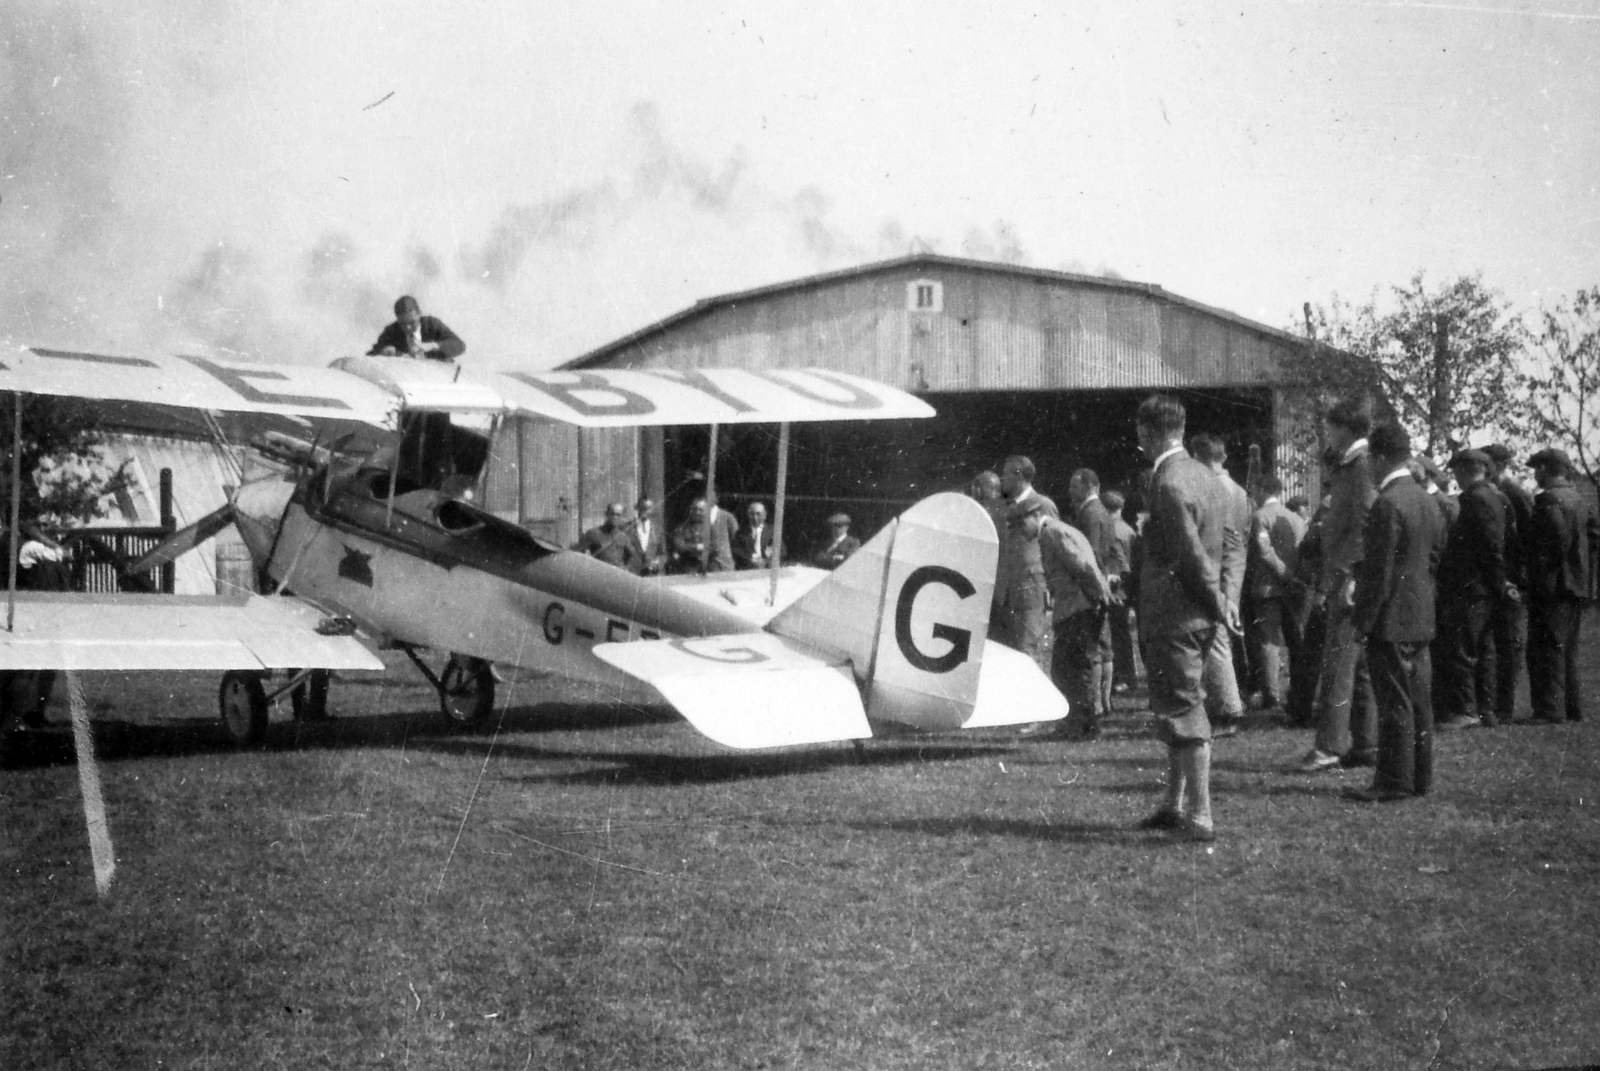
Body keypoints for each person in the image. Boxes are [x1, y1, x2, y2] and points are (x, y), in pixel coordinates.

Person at [1132, 394, 1229, 842]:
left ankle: (1200, 815)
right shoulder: (1205, 476)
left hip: (1175, 616)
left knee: (1183, 711)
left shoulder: (1168, 482)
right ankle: (1175, 805)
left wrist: (1217, 601)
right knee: (1176, 707)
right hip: (1196, 615)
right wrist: (1224, 601)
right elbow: (1226, 544)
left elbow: (1189, 555)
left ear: (1146, 432)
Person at [1345, 422, 1445, 801]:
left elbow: (1379, 573)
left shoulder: (1387, 503)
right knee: (1418, 701)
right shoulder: (1426, 500)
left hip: (1390, 618)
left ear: (1381, 457)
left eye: (1372, 458)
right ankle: (1419, 777)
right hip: (1420, 613)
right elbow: (1433, 558)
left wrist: (1363, 621)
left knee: (1393, 702)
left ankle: (1393, 781)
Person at [1299, 397, 1379, 772]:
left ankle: (1330, 745)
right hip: (1345, 574)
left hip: (1347, 578)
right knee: (1356, 665)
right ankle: (1366, 743)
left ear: (1345, 429)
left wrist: (1347, 575)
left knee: (1338, 664)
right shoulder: (1353, 465)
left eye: (1331, 428)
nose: (1327, 435)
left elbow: (1364, 527)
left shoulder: (1360, 467)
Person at [1434, 449, 1516, 730]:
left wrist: (1496, 581)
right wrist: (1501, 582)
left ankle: (1465, 709)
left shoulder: (1473, 499)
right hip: (1486, 586)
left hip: (1471, 585)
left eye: (1457, 471)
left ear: (1464, 470)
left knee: (1464, 649)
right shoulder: (1496, 496)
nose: (1455, 477)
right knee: (1484, 649)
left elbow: (1488, 545)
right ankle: (1486, 709)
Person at [1020, 500, 1114, 739]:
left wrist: (1096, 596)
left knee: (1068, 669)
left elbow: (1081, 566)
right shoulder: (1060, 530)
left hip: (1077, 608)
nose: (1021, 531)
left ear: (1034, 516)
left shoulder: (1051, 533)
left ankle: (1080, 726)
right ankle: (1083, 724)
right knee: (1073, 668)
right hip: (1080, 606)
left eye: (1021, 524)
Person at [1525, 448, 1598, 723]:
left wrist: (1538, 575)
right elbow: (1593, 538)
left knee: (1548, 648)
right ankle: (1572, 707)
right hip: (1576, 585)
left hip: (1552, 586)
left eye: (1536, 469)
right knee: (1567, 649)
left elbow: (1550, 543)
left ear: (1544, 469)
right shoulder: (1579, 499)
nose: (1535, 475)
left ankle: (1550, 709)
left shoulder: (1548, 500)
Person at [1189, 434, 1249, 737]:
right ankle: (1224, 706)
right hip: (1230, 572)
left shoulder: (1213, 488)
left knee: (1216, 641)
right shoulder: (1237, 489)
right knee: (1218, 640)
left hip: (1217, 573)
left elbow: (1225, 541)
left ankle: (1227, 709)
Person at [1246, 474, 1306, 712]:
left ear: (1262, 489)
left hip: (1268, 587)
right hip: (1294, 589)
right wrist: (1295, 578)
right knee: (1295, 641)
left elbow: (1264, 551)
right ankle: (1299, 691)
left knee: (1269, 641)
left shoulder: (1260, 517)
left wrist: (1284, 574)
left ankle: (1271, 695)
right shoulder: (1296, 519)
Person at [1484, 442, 1534, 724]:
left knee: (1509, 643)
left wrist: (1519, 580)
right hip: (1498, 578)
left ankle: (1506, 704)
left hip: (1512, 579)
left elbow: (1526, 541)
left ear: (1500, 466)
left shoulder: (1514, 495)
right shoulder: (1495, 493)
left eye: (1489, 464)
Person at [994, 456, 1059, 667]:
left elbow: (1057, 549)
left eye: (1005, 473)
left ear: (1019, 475)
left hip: (1030, 591)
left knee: (1027, 652)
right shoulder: (1003, 508)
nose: (1001, 478)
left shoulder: (1043, 505)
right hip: (1005, 593)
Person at [1066, 467, 1117, 721]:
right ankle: (1104, 702)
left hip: (1091, 587)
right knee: (1103, 645)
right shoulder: (1102, 511)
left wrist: (1091, 585)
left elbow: (1090, 553)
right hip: (1103, 582)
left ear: (1087, 486)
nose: (1069, 491)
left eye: (1074, 486)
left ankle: (1096, 703)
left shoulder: (1089, 513)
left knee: (1093, 647)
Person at [1101, 489, 1140, 693]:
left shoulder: (1111, 530)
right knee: (1122, 633)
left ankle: (1124, 676)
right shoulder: (1128, 529)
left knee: (1118, 634)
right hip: (1127, 586)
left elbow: (1119, 562)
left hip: (1117, 588)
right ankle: (1127, 675)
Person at [368, 295, 466, 361]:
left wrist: (433, 345)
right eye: (402, 323)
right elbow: (370, 356)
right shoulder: (392, 331)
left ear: (419, 314)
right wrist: (383, 352)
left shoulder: (431, 325)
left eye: (412, 322)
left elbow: (460, 346)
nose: (408, 327)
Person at [670, 497, 736, 574]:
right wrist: (696, 547)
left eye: (700, 510)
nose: (697, 512)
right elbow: (679, 545)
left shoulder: (711, 528)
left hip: (709, 566)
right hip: (689, 567)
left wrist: (703, 549)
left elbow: (715, 547)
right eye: (694, 509)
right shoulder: (682, 528)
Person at [577, 502, 644, 573]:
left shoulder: (624, 537)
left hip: (617, 574)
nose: (614, 517)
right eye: (612, 514)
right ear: (606, 514)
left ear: (622, 517)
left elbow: (633, 557)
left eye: (618, 515)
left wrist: (626, 568)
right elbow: (580, 554)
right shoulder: (593, 534)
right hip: (599, 573)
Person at [629, 495, 666, 576]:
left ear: (652, 510)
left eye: (648, 509)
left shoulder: (657, 530)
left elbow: (663, 554)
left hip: (652, 574)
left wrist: (656, 563)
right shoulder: (629, 528)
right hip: (634, 574)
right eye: (642, 508)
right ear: (637, 509)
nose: (645, 512)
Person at [733, 501, 776, 569]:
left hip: (767, 568)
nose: (755, 517)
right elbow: (736, 550)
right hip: (748, 568)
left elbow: (782, 550)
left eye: (758, 514)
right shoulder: (741, 532)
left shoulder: (772, 531)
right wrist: (750, 558)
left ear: (765, 515)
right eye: (752, 514)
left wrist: (771, 551)